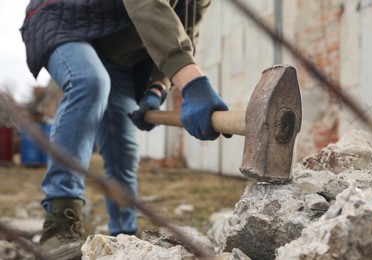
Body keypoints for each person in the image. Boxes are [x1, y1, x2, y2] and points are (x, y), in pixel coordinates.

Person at [20, 0, 230, 258]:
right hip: (65, 17)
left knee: (123, 153)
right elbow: (146, 4)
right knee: (89, 81)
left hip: (117, 55)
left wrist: (157, 88)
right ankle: (59, 224)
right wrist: (194, 84)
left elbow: (184, 31)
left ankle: (123, 236)